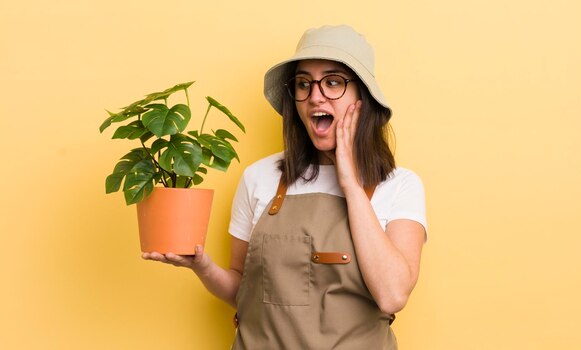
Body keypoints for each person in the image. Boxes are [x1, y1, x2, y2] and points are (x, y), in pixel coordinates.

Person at [143, 24, 427, 349]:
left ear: (363, 98)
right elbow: (244, 292)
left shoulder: (400, 185)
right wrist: (201, 266)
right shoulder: (259, 177)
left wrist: (349, 179)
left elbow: (392, 295)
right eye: (303, 84)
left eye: (333, 82)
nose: (314, 95)